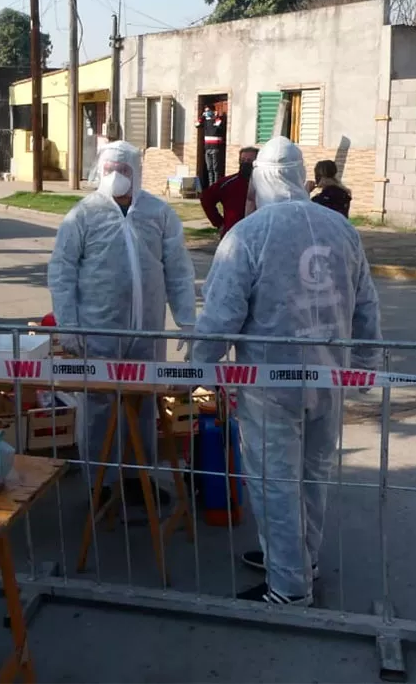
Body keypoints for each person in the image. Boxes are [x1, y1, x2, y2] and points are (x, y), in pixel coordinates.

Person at [191, 136, 381, 606]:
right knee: (313, 475)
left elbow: (221, 316)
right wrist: (366, 366)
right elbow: (366, 303)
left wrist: (197, 367)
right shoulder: (341, 230)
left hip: (269, 384)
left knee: (275, 481)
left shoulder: (249, 235)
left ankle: (289, 588)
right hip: (329, 379)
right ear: (301, 176)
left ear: (261, 179)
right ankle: (301, 559)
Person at [48, 141, 196, 506]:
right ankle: (100, 481)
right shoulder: (84, 214)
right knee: (99, 405)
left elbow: (177, 269)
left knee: (143, 404)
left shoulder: (158, 214)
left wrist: (187, 320)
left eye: (124, 170)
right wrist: (69, 325)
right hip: (99, 330)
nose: (116, 177)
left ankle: (136, 478)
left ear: (137, 172)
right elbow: (62, 272)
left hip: (146, 331)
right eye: (111, 169)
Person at [200, 146, 258, 234]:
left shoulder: (264, 184)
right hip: (233, 234)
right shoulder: (227, 183)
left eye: (249, 161)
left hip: (258, 233)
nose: (246, 163)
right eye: (242, 160)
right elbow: (206, 198)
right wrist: (219, 223)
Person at [195, 104, 225, 189]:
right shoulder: (205, 122)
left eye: (208, 111)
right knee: (209, 169)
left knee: (215, 169)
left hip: (215, 148)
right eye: (206, 111)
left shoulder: (216, 120)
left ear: (212, 111)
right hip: (207, 148)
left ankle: (216, 185)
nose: (207, 112)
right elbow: (197, 124)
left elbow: (219, 123)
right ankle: (211, 186)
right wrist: (202, 116)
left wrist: (215, 116)